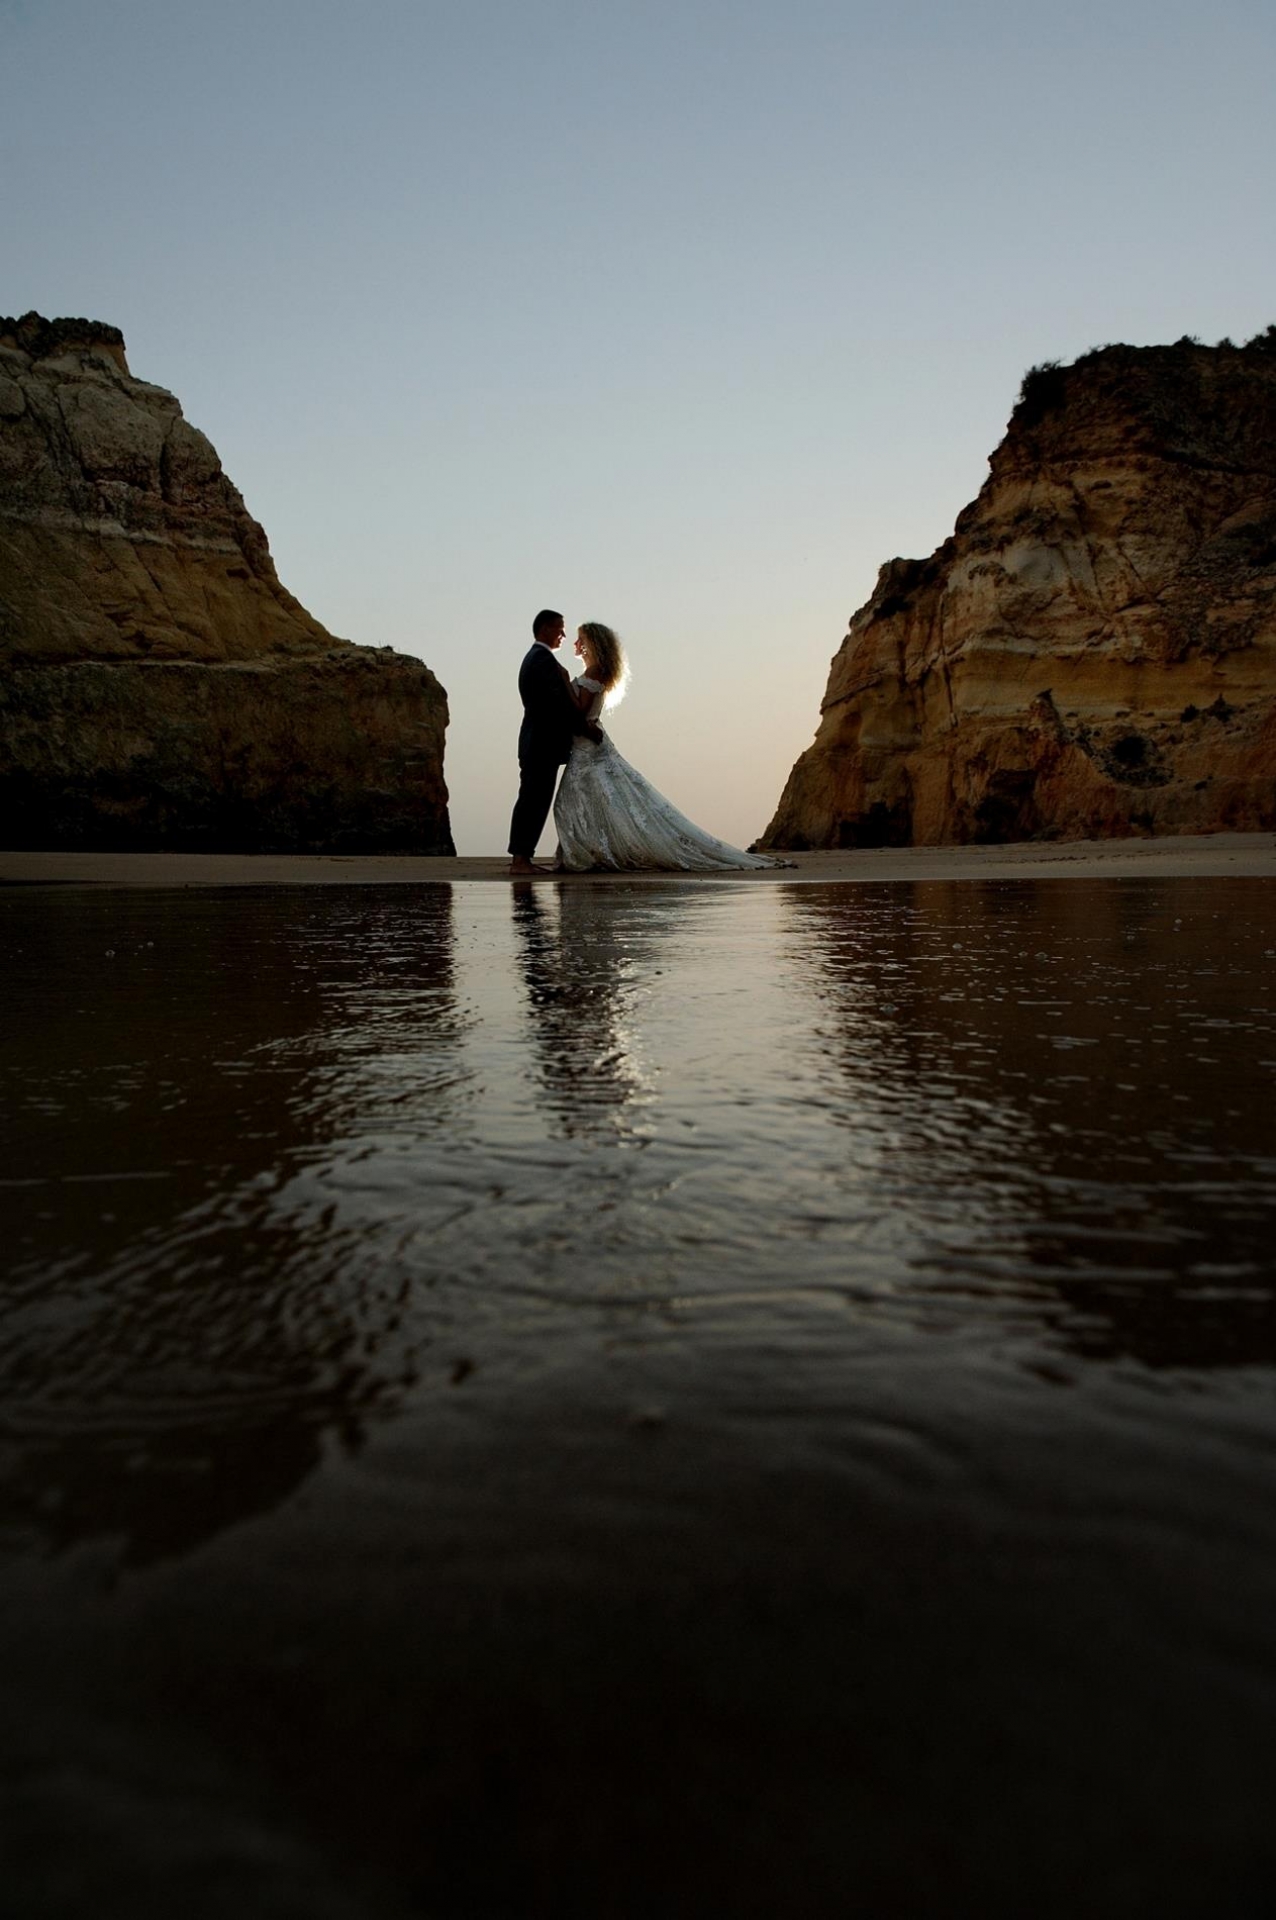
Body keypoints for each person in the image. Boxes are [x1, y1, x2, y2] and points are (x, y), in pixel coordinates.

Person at [553, 622, 788, 871]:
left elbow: (580, 710)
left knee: (575, 801)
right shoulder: (593, 671)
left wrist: (565, 682)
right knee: (589, 801)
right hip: (586, 747)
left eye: (580, 639)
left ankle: (586, 855)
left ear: (592, 644)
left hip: (589, 750)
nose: (576, 644)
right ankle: (587, 853)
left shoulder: (595, 672)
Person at [508, 609, 602, 876]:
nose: (563, 635)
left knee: (532, 798)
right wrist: (585, 729)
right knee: (534, 800)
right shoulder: (542, 660)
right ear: (546, 629)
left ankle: (521, 857)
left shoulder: (537, 658)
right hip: (541, 743)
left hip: (537, 742)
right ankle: (521, 860)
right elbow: (556, 706)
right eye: (560, 629)